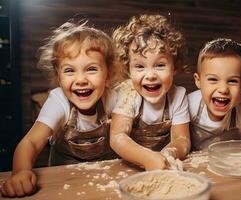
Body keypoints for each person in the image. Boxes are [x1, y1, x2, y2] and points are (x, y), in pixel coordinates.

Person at [0, 20, 119, 197]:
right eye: (69, 71)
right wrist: (21, 172)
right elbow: (30, 142)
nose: (81, 80)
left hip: (105, 181)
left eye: (91, 69)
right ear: (58, 76)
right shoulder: (59, 101)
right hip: (63, 182)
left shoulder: (113, 98)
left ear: (107, 75)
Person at [110, 14, 191, 171]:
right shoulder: (128, 93)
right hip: (130, 166)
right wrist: (147, 158)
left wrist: (168, 154)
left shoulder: (178, 96)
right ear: (129, 70)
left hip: (163, 164)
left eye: (160, 65)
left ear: (174, 67)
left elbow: (182, 139)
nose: (151, 75)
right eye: (140, 67)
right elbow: (118, 137)